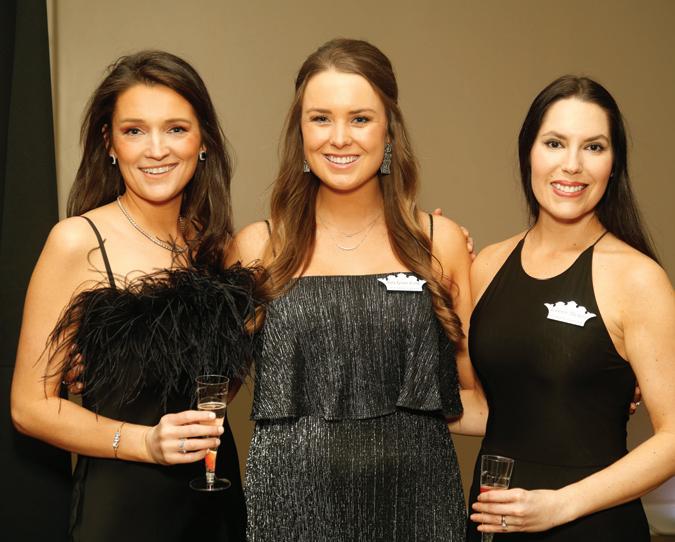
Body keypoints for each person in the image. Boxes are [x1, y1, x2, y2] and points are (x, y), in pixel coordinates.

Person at [230, 38, 479, 541]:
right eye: (321, 118)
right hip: (289, 512)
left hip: (418, 508)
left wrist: (589, 389)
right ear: (300, 132)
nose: (339, 138)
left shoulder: (439, 242)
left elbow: (478, 392)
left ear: (389, 131)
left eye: (360, 119)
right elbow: (209, 387)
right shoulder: (259, 246)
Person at [10, 51, 252, 542]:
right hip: (123, 513)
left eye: (176, 129)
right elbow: (29, 407)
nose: (156, 149)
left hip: (217, 503)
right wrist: (145, 441)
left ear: (203, 139)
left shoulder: (217, 249)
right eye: (135, 130)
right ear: (110, 143)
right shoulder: (77, 242)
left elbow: (219, 384)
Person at [466, 75, 675, 540]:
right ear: (529, 152)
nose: (572, 165)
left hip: (593, 527)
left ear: (614, 165)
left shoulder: (637, 279)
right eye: (555, 143)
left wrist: (560, 505)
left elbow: (673, 437)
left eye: (594, 147)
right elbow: (487, 408)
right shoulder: (488, 265)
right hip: (492, 524)